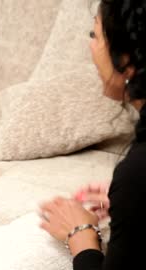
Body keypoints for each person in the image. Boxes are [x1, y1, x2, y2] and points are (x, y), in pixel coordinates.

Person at [39, 0, 146, 269]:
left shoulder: (138, 172)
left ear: (127, 60)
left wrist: (82, 235)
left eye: (95, 35)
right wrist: (130, 207)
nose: (91, 46)